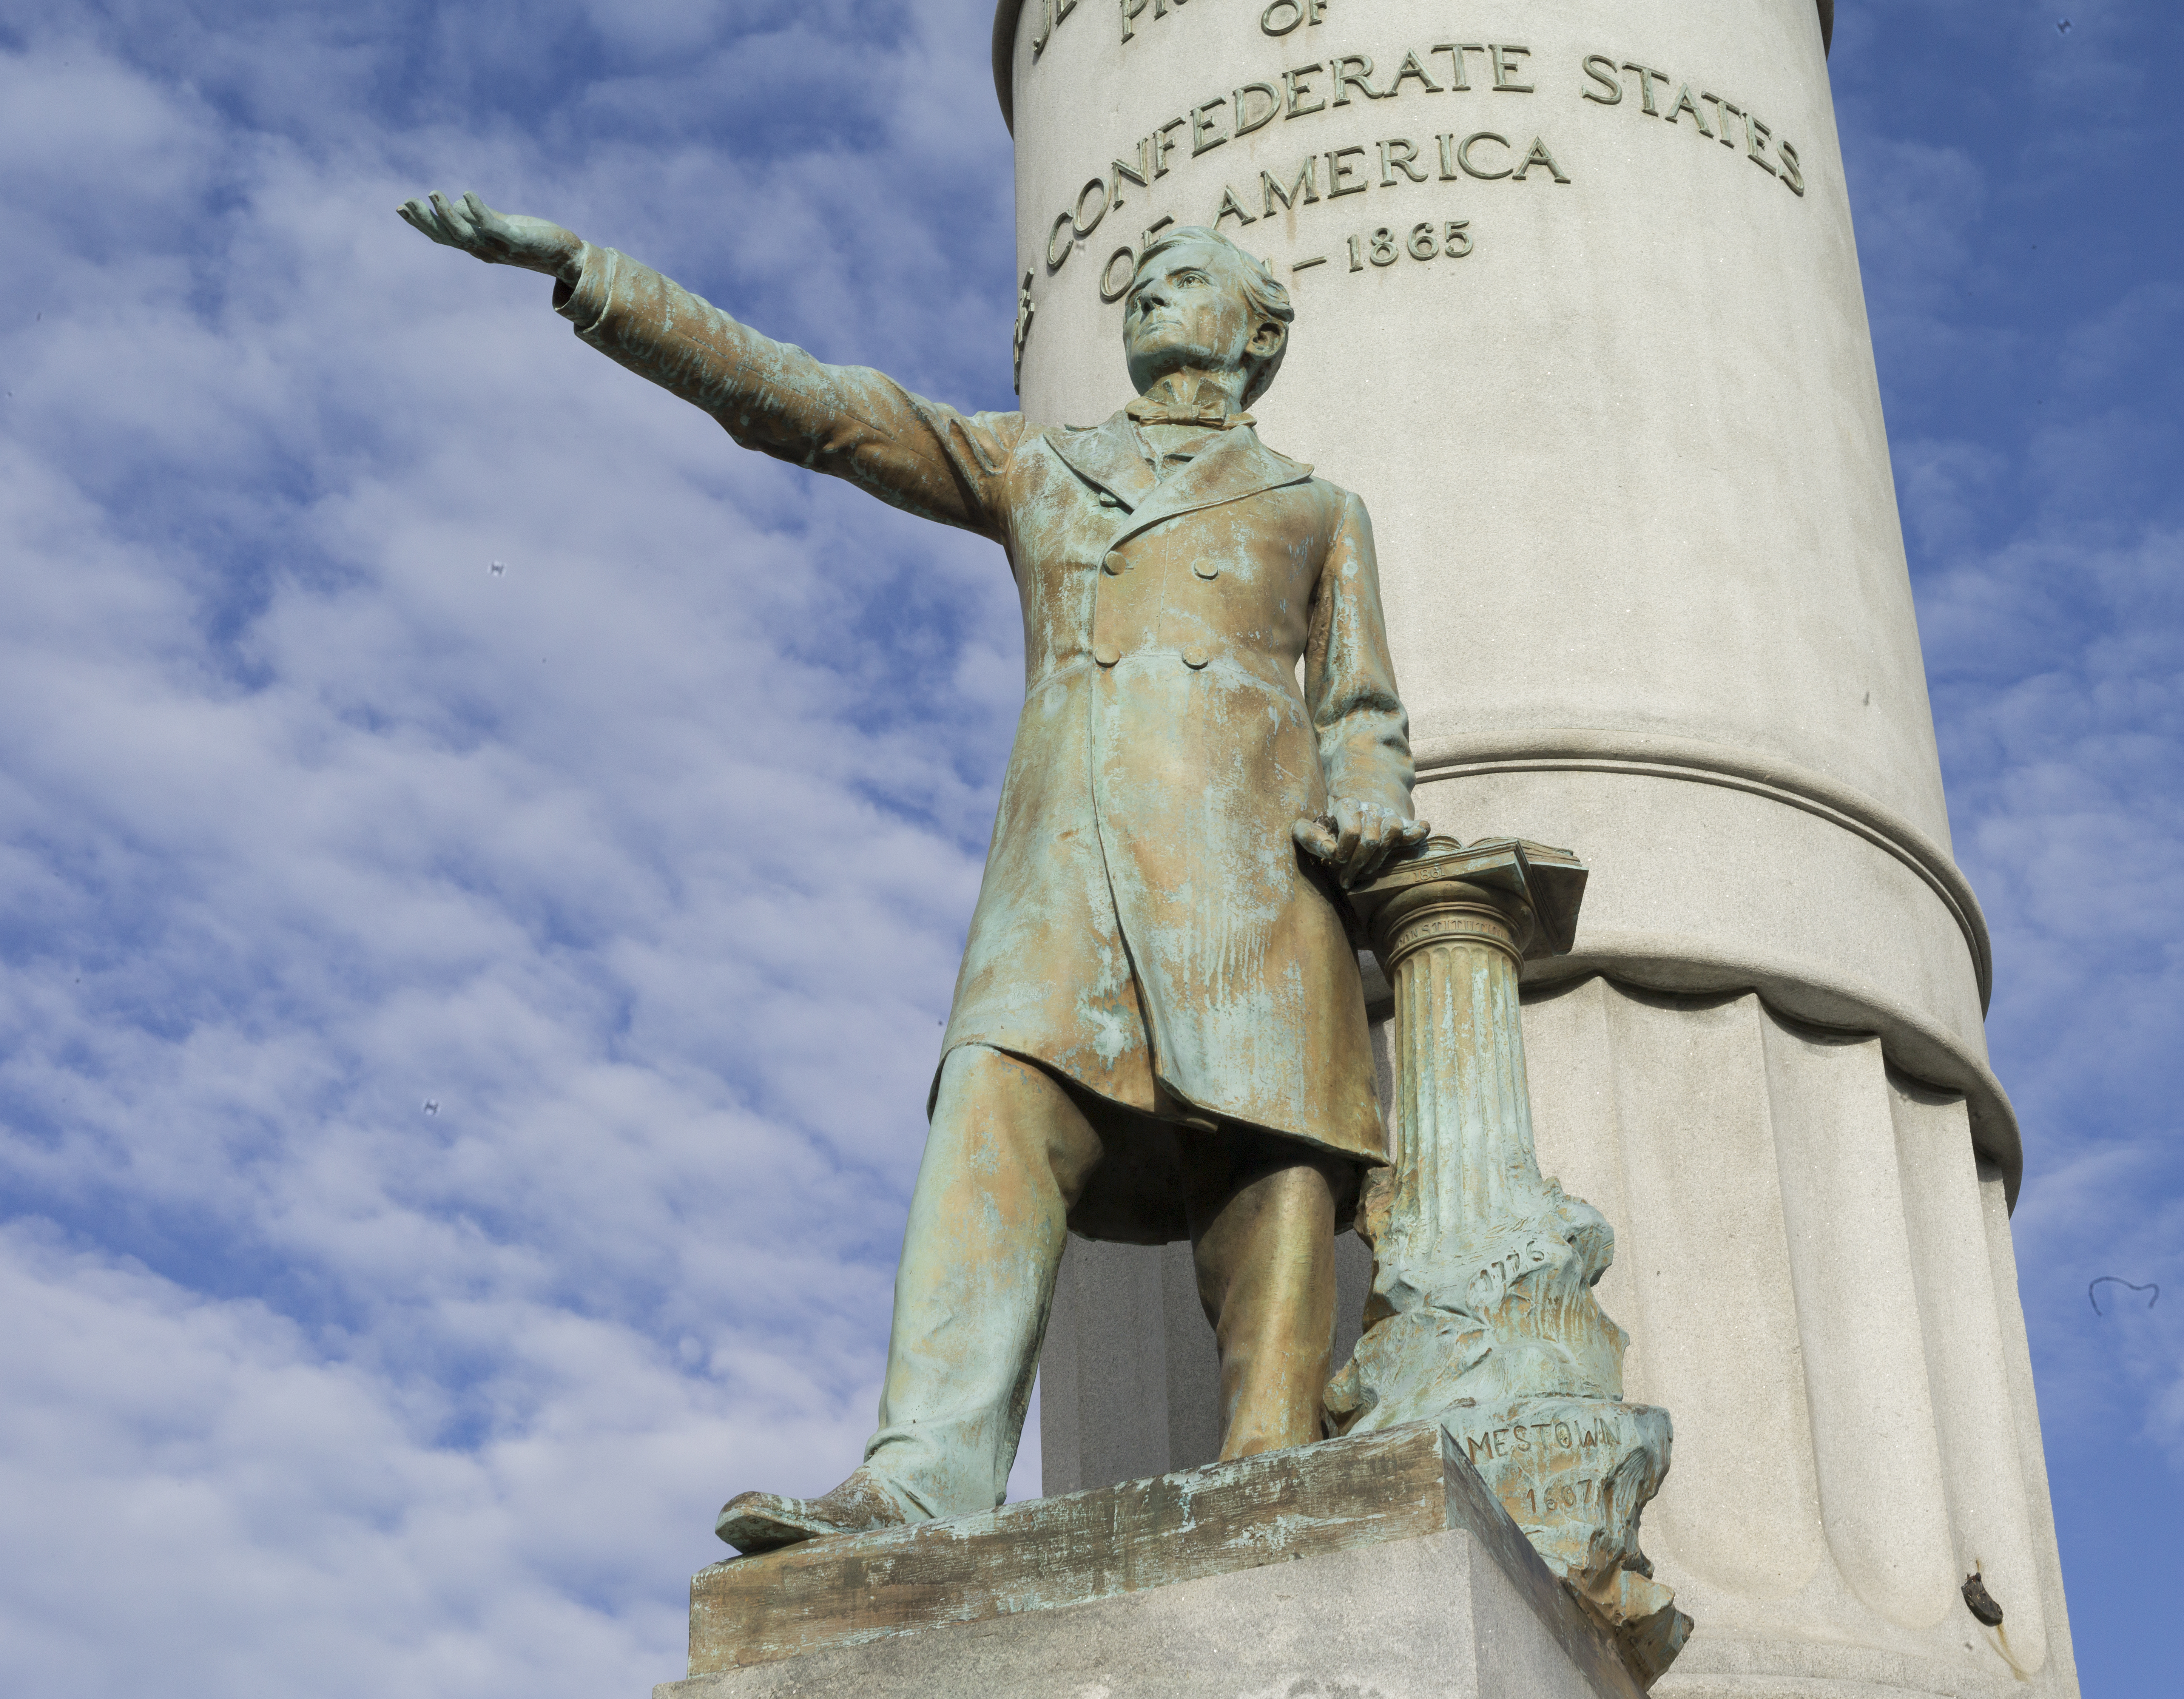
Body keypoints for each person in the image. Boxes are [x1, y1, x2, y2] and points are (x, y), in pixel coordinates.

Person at [399, 194, 1425, 1550]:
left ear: (1258, 337)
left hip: (1252, 888)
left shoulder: (1315, 508)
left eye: (1184, 279)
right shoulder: (1042, 466)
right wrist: (599, 280)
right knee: (989, 1120)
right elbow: (824, 410)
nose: (1147, 295)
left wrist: (1372, 799)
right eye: (1138, 283)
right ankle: (923, 1474)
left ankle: (1270, 1468)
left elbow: (1362, 711)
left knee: (1270, 1170)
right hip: (1063, 878)